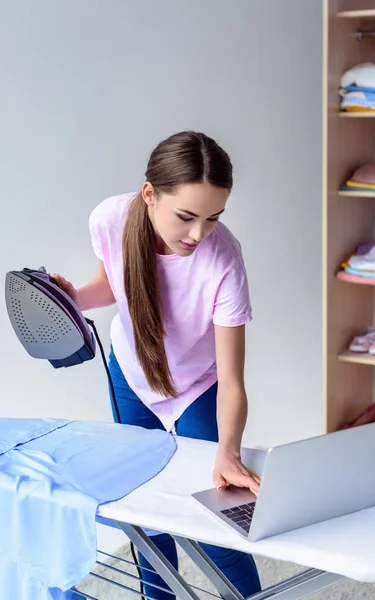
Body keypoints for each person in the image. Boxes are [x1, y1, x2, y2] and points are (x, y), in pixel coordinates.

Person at [55, 131, 261, 599]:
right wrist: (75, 298)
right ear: (150, 194)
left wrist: (228, 451)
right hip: (131, 376)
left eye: (213, 219)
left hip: (197, 386)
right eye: (186, 216)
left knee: (222, 524)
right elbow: (114, 286)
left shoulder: (223, 260)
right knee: (148, 517)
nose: (198, 234)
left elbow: (231, 381)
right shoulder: (110, 219)